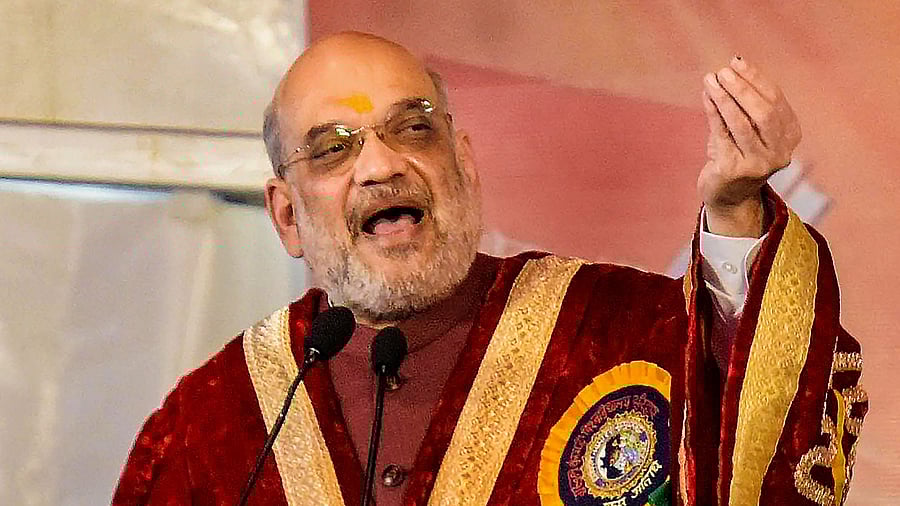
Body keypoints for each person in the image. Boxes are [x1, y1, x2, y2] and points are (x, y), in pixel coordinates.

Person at [112, 32, 867, 506]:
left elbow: (755, 408)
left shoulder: (619, 327)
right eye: (334, 147)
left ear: (464, 165)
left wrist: (736, 210)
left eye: (414, 128)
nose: (381, 164)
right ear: (285, 215)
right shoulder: (208, 424)